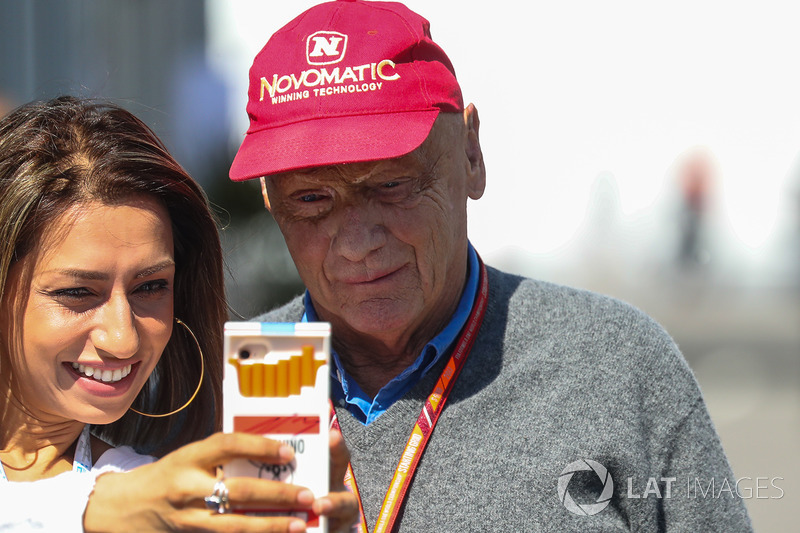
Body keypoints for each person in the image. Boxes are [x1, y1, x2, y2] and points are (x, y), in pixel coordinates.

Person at [228, 1, 754, 531]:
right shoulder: (226, 383)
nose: (358, 242)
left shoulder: (619, 364)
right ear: (270, 199)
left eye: (392, 185)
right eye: (312, 199)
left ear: (471, 154)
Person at [0, 96, 357, 532]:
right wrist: (89, 511)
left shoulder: (155, 498)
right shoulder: (131, 500)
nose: (124, 339)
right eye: (78, 292)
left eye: (150, 287)